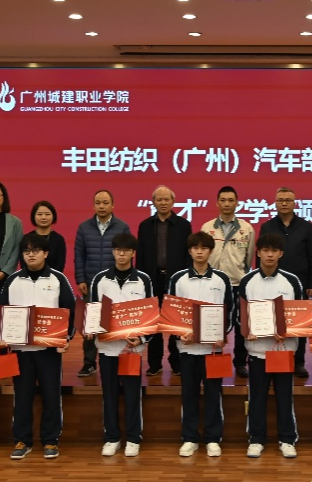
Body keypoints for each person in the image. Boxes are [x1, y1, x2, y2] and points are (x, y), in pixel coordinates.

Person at [0, 231, 76, 461]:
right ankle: (22, 440)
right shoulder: (13, 280)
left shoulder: (58, 279)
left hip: (49, 350)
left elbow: (70, 312)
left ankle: (50, 440)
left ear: (46, 253)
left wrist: (66, 339)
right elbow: (2, 312)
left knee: (51, 395)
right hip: (20, 350)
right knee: (22, 397)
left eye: (35, 251)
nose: (30, 255)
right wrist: (2, 336)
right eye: (26, 251)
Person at [238, 232, 305, 459]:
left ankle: (287, 439)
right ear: (258, 252)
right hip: (258, 351)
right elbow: (239, 316)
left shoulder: (292, 281)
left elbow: (300, 316)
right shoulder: (247, 281)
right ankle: (256, 439)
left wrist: (288, 331)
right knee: (257, 397)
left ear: (281, 254)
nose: (269, 255)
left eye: (274, 251)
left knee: (285, 397)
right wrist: (248, 329)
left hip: (284, 351)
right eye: (265, 250)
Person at [87, 232, 153, 458]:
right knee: (110, 393)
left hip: (131, 349)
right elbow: (93, 310)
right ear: (113, 252)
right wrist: (91, 328)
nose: (121, 254)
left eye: (126, 250)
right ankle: (112, 437)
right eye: (117, 250)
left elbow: (150, 315)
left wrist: (142, 339)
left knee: (133, 394)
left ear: (133, 253)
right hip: (107, 348)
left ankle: (133, 438)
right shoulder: (100, 279)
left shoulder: (143, 279)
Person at [168, 232, 234, 457]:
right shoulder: (178, 279)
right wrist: (179, 333)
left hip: (213, 349)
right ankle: (190, 438)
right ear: (189, 251)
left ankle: (213, 438)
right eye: (195, 248)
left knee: (214, 393)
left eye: (204, 248)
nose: (199, 252)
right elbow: (172, 312)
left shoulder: (221, 279)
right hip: (187, 348)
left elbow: (230, 310)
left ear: (210, 251)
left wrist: (222, 333)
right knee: (189, 394)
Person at [258, 187, 312, 377]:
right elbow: (260, 255)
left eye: (288, 200)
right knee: (272, 320)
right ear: (275, 203)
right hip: (272, 282)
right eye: (280, 200)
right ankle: (271, 357)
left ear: (294, 203)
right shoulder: (267, 226)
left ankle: (298, 361)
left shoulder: (305, 226)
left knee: (299, 324)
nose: (284, 203)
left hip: (300, 283)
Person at [199, 186, 256, 377]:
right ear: (217, 203)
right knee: (214, 323)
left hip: (238, 283)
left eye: (231, 200)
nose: (227, 204)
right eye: (223, 200)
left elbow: (248, 259)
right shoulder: (207, 228)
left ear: (237, 203)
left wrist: (240, 273)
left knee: (240, 325)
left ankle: (240, 362)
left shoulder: (247, 228)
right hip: (213, 284)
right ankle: (213, 357)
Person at [137, 185, 193, 377]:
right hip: (152, 279)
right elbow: (141, 255)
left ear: (173, 202)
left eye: (166, 199)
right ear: (153, 202)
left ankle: (176, 362)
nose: (163, 203)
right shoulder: (145, 226)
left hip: (176, 281)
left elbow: (188, 254)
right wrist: (142, 280)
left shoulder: (184, 225)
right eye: (159, 199)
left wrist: (185, 279)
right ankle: (155, 363)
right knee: (154, 323)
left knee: (176, 322)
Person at [74, 190, 130, 378]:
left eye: (105, 202)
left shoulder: (122, 227)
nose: (102, 206)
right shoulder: (84, 227)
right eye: (98, 202)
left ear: (113, 205)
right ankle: (89, 363)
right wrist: (81, 279)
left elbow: (127, 254)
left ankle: (120, 358)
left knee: (116, 322)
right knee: (90, 324)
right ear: (93, 205)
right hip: (90, 283)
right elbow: (79, 255)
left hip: (114, 283)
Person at [25, 200, 67, 273]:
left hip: (53, 278)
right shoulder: (27, 239)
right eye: (39, 214)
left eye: (47, 214)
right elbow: (24, 264)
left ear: (53, 216)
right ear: (33, 216)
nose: (43, 217)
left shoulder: (58, 239)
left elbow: (60, 266)